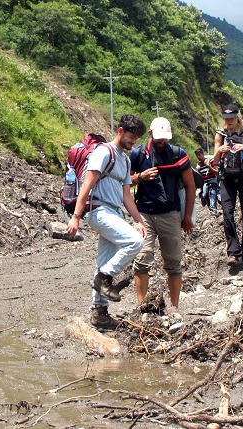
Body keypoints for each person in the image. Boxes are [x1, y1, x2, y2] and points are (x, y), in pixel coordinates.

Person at [66, 114, 148, 330]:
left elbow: (127, 196)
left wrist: (139, 221)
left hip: (114, 212)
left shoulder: (126, 159)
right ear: (120, 131)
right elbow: (87, 185)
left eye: (136, 139)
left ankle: (99, 314)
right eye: (130, 137)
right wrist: (76, 216)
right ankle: (105, 277)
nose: (133, 142)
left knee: (103, 261)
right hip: (98, 210)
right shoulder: (104, 152)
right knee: (134, 242)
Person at [129, 117, 195, 310]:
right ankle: (142, 306)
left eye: (165, 139)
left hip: (170, 214)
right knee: (142, 259)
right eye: (158, 138)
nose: (161, 142)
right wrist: (141, 177)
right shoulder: (138, 154)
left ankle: (174, 307)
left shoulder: (177, 154)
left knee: (173, 262)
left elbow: (191, 186)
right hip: (144, 214)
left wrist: (188, 216)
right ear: (150, 134)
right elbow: (126, 181)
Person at [214, 104, 243, 266]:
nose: (229, 122)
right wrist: (221, 150)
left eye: (232, 118)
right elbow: (215, 159)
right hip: (227, 178)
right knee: (227, 212)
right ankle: (233, 252)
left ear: (237, 117)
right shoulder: (220, 135)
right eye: (226, 119)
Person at [194, 147, 220, 217]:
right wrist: (198, 171)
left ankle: (213, 214)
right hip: (205, 185)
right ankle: (212, 213)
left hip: (212, 183)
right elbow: (200, 176)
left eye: (199, 155)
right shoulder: (199, 164)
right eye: (197, 156)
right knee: (205, 199)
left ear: (203, 154)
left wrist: (208, 166)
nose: (198, 157)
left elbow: (216, 172)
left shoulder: (210, 160)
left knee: (213, 198)